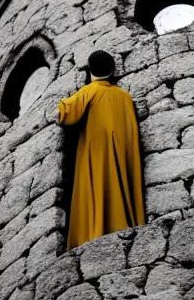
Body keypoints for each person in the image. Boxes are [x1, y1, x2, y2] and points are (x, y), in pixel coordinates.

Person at [55, 50, 145, 250]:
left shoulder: (90, 90)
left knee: (97, 189)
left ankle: (95, 235)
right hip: (122, 157)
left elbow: (64, 113)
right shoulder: (124, 97)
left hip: (96, 156)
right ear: (113, 70)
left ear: (89, 71)